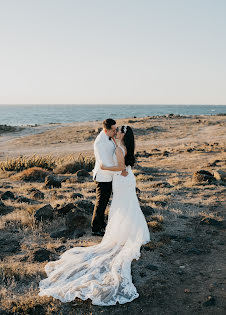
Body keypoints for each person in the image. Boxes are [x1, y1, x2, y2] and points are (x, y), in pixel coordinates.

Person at [38, 125, 150, 306]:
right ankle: (132, 230)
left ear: (124, 134)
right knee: (126, 205)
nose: (118, 130)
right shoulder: (123, 145)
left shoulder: (121, 148)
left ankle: (126, 233)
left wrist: (106, 166)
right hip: (126, 178)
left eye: (121, 130)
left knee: (123, 205)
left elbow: (120, 167)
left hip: (122, 179)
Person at [91, 118, 127, 236]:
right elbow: (103, 165)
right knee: (101, 203)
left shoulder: (110, 137)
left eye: (116, 129)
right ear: (106, 130)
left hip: (110, 176)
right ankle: (96, 229)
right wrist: (119, 170)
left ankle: (102, 224)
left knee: (105, 202)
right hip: (103, 177)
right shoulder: (99, 143)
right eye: (114, 130)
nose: (116, 132)